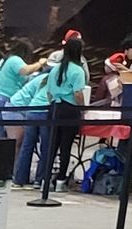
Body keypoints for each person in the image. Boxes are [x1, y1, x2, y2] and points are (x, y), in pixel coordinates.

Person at [40, 36, 90, 188]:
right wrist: (82, 109)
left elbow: (48, 92)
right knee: (66, 147)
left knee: (52, 146)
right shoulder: (78, 71)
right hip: (69, 109)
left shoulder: (55, 69)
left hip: (54, 107)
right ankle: (61, 180)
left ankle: (45, 180)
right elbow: (78, 93)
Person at [0, 39, 33, 135]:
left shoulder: (7, 60)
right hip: (3, 100)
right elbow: (25, 71)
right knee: (4, 137)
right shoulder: (15, 60)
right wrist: (40, 64)